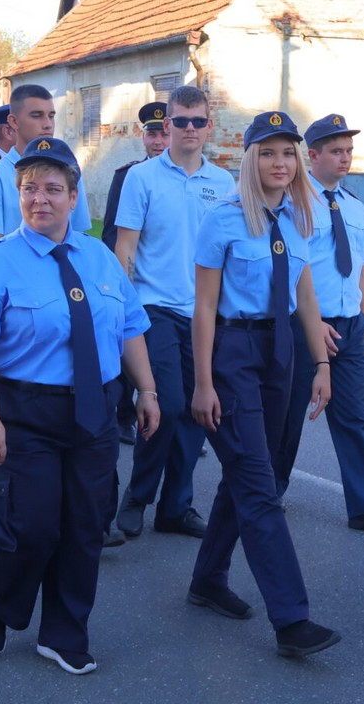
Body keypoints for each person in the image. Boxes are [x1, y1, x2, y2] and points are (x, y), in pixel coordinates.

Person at [0, 136, 158, 675]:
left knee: (86, 526)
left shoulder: (100, 256)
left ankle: (64, 634)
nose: (39, 198)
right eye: (28, 188)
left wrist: (148, 391)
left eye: (52, 189)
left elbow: (130, 328)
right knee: (31, 526)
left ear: (73, 196)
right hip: (24, 412)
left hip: (95, 411)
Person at [188, 111, 341, 657]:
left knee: (257, 471)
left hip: (283, 352)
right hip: (231, 351)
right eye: (269, 153)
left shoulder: (302, 218)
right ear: (251, 159)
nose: (280, 163)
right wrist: (202, 383)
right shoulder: (222, 220)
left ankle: (207, 579)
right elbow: (203, 308)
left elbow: (305, 294)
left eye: (288, 153)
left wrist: (321, 365)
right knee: (258, 483)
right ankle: (291, 620)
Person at [272, 114, 364, 532]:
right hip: (306, 324)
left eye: (349, 151)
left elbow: (360, 270)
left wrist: (363, 325)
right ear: (312, 155)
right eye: (336, 151)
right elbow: (288, 269)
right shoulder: (293, 204)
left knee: (353, 417)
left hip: (348, 326)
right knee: (289, 414)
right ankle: (269, 492)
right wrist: (311, 324)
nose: (345, 158)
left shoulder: (354, 206)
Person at [113, 86, 233, 541]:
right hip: (153, 308)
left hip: (204, 313)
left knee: (200, 412)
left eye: (197, 122)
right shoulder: (142, 178)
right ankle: (138, 498)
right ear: (167, 126)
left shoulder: (222, 184)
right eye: (179, 121)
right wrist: (125, 311)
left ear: (208, 127)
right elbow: (125, 247)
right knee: (168, 404)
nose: (188, 129)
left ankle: (176, 507)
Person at [102, 101, 169, 448]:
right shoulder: (127, 176)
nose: (158, 141)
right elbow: (113, 233)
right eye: (152, 133)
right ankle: (124, 417)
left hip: (174, 287)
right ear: (143, 137)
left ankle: (172, 419)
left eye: (164, 133)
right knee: (129, 352)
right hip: (137, 284)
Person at [0, 84, 91, 239]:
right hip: (15, 262)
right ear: (14, 122)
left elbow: (78, 235)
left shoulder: (68, 170)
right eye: (37, 115)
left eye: (51, 116)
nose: (48, 124)